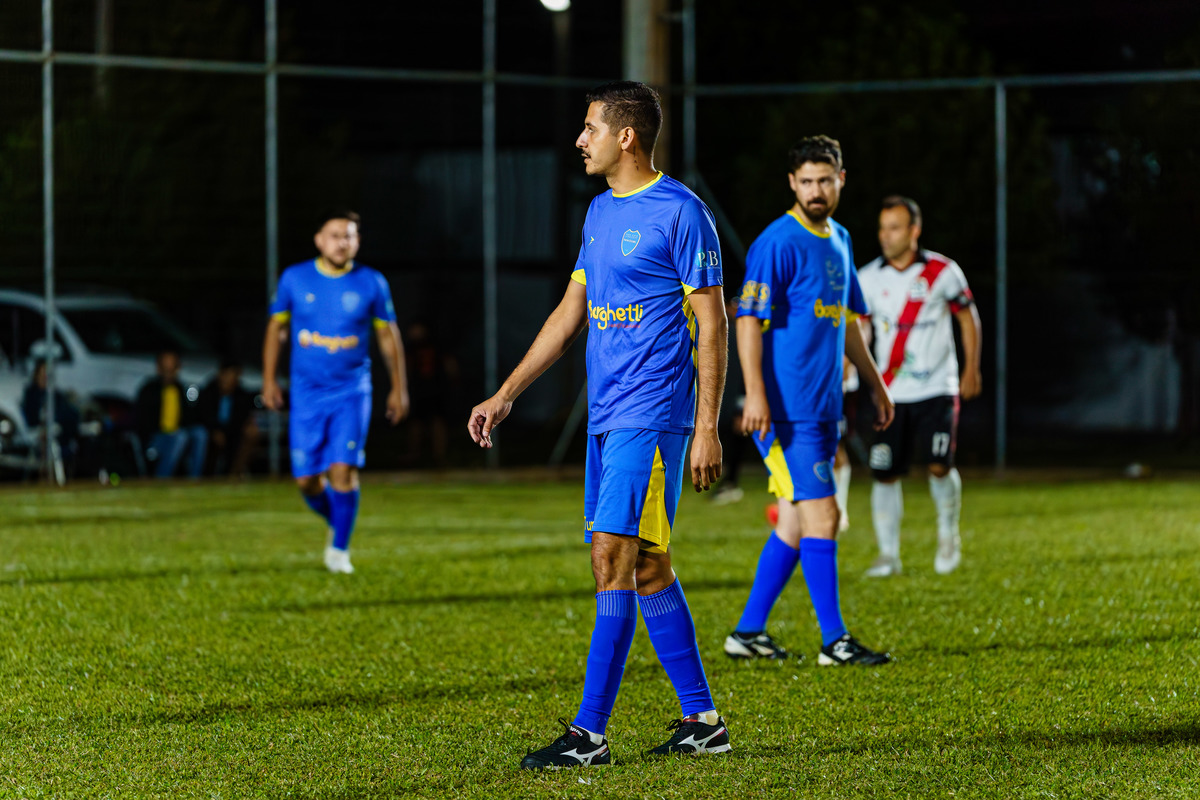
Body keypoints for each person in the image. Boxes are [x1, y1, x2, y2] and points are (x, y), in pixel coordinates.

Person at [468, 81, 731, 769]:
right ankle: (703, 720)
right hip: (609, 416)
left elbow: (712, 323)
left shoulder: (682, 212)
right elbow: (569, 313)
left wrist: (707, 426)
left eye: (591, 128)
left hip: (654, 413)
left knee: (611, 558)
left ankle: (589, 735)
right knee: (647, 566)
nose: (580, 140)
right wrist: (506, 394)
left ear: (626, 136)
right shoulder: (599, 211)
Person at [723, 135, 895, 666]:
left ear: (841, 180)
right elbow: (747, 321)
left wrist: (876, 383)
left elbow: (847, 321)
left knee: (795, 524)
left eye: (824, 180)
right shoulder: (776, 242)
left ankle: (747, 633)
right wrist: (755, 395)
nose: (816, 191)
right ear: (792, 184)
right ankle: (834, 641)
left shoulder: (840, 238)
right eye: (806, 182)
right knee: (824, 515)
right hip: (785, 412)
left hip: (823, 407)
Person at [262, 210, 409, 574]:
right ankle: (339, 519)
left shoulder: (371, 282)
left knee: (342, 472)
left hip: (351, 391)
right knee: (306, 480)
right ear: (318, 240)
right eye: (334, 235)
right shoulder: (295, 278)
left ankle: (339, 550)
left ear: (357, 241)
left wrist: (398, 388)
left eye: (349, 236)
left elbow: (387, 336)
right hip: (307, 393)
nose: (342, 242)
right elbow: (276, 329)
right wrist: (269, 379)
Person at [857, 196, 982, 577]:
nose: (885, 236)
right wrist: (851, 368)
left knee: (939, 465)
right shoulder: (867, 277)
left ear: (914, 231)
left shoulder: (944, 271)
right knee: (884, 471)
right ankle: (888, 555)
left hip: (937, 387)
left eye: (894, 228)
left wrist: (971, 368)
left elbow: (967, 318)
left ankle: (948, 535)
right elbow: (860, 330)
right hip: (890, 392)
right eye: (882, 228)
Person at [135, 350, 207, 479]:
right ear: (159, 368)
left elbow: (192, 417)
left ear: (177, 369)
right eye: (165, 368)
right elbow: (142, 421)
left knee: (200, 433)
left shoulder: (181, 389)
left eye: (172, 368)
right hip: (157, 437)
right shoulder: (149, 390)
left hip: (179, 433)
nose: (168, 372)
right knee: (179, 437)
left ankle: (195, 480)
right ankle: (162, 479)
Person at [197, 358, 259, 477]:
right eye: (227, 375)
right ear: (220, 375)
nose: (229, 380)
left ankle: (234, 474)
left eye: (233, 376)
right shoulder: (209, 391)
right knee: (208, 437)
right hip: (211, 432)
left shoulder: (241, 395)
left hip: (232, 433)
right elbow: (204, 416)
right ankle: (204, 475)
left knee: (251, 433)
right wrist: (215, 430)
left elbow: (243, 418)